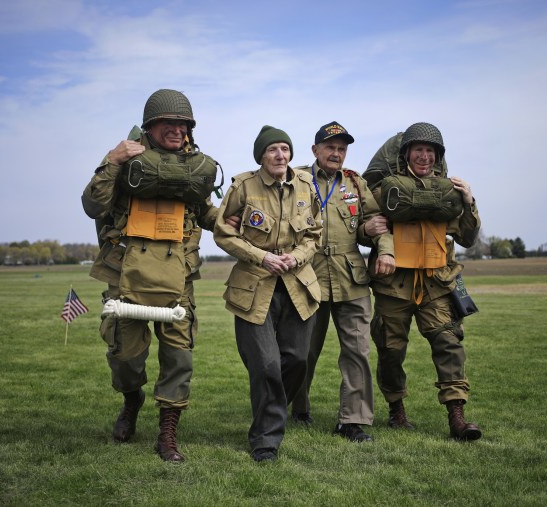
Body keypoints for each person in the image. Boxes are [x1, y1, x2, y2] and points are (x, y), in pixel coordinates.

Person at [82, 88, 229, 462]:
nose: (177, 130)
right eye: (169, 123)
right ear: (150, 126)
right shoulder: (125, 160)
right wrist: (114, 161)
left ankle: (167, 432)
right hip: (126, 277)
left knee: (179, 358)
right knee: (125, 359)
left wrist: (230, 219)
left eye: (184, 125)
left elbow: (205, 212)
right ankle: (132, 400)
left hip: (177, 278)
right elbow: (92, 204)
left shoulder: (192, 168)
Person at [362, 122, 483, 440]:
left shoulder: (450, 193)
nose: (424, 156)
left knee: (449, 344)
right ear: (406, 155)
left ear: (438, 156)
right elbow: (365, 228)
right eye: (418, 150)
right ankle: (396, 410)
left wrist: (469, 201)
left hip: (437, 283)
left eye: (430, 151)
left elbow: (468, 238)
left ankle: (457, 416)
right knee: (390, 350)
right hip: (394, 282)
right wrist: (370, 231)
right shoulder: (385, 191)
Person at [213, 126, 323, 462]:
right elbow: (223, 234)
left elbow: (315, 234)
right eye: (273, 150)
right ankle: (265, 440)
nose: (280, 156)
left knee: (298, 361)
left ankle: (271, 413)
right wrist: (262, 256)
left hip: (297, 286)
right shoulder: (242, 186)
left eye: (285, 150)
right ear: (261, 155)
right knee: (266, 365)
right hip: (254, 287)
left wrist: (297, 256)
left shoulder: (306, 185)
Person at [289, 121, 395, 443]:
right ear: (315, 150)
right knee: (303, 351)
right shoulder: (296, 180)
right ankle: (298, 407)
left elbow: (375, 224)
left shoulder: (354, 183)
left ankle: (353, 421)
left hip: (351, 277)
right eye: (330, 147)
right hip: (308, 277)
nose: (336, 153)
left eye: (342, 148)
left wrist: (384, 249)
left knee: (357, 350)